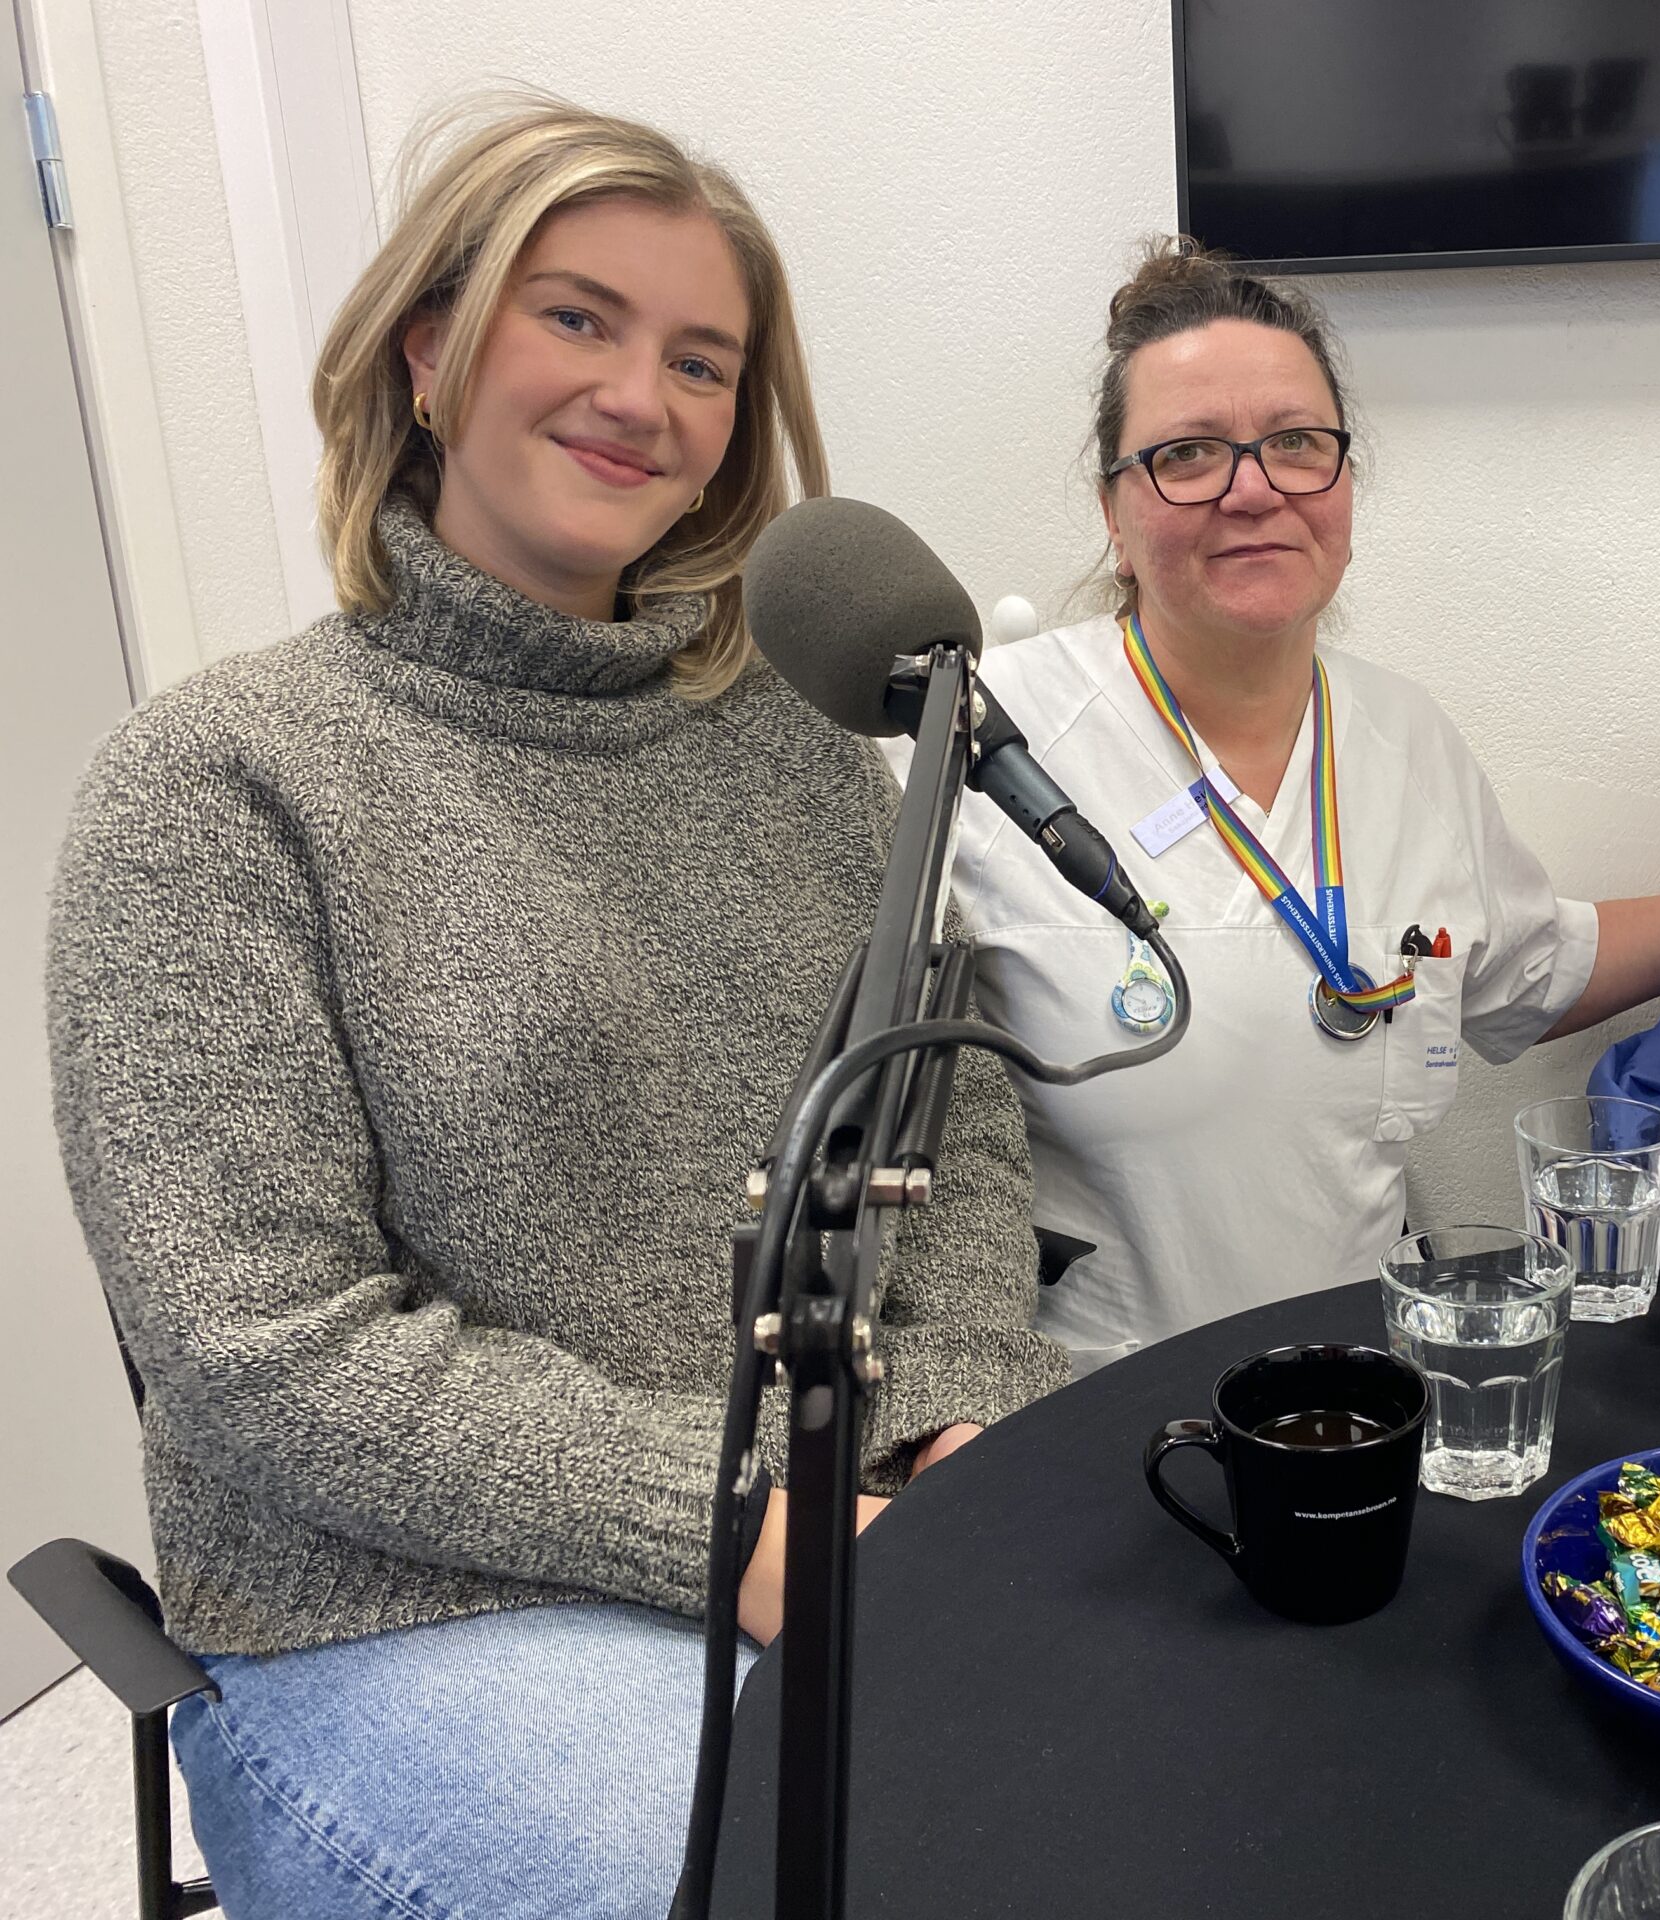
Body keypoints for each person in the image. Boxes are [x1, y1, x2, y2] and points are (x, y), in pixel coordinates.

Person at [45, 97, 1065, 1920]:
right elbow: (261, 1350)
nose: (640, 396)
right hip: (401, 1599)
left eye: (701, 360)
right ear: (430, 350)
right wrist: (742, 1528)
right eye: (575, 317)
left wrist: (962, 1424)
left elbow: (953, 1123)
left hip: (825, 1525)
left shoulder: (804, 760)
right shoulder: (219, 783)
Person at [938, 241, 1660, 1374]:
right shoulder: (989, 744)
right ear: (1114, 511)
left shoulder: (1406, 741)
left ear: (1343, 483)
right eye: (1189, 453)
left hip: (1360, 1389)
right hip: (1085, 1400)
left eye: (1297, 445)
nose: (1253, 488)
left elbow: (1529, 969)